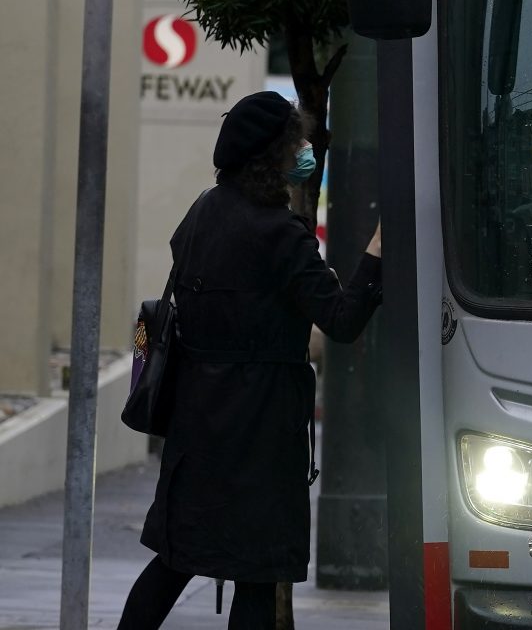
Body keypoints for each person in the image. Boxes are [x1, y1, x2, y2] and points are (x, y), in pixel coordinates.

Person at [118, 92, 384, 630]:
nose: (305, 150)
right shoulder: (280, 235)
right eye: (296, 142)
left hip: (198, 420)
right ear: (273, 155)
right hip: (262, 428)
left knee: (174, 560)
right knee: (256, 575)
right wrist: (378, 253)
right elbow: (341, 319)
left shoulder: (202, 212)